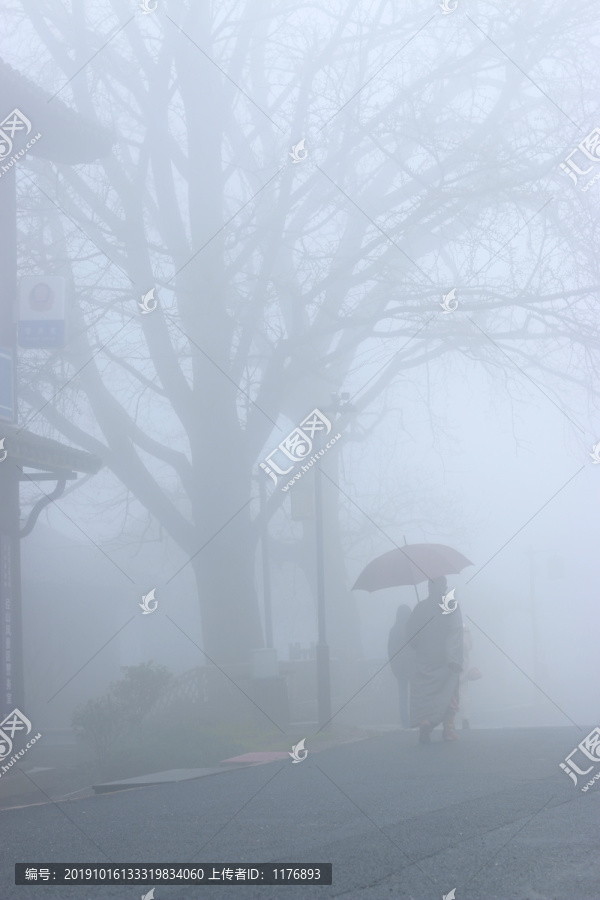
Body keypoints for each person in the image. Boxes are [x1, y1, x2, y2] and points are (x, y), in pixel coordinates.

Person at [406, 575, 464, 744]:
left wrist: (417, 643)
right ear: (444, 587)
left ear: (428, 588)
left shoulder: (420, 608)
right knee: (448, 692)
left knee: (424, 693)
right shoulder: (451, 605)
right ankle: (447, 730)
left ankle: (424, 721)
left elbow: (411, 635)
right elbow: (455, 630)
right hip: (445, 659)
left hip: (424, 658)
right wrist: (454, 657)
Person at [387, 604, 412, 727]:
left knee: (402, 695)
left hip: (399, 669)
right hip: (412, 667)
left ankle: (405, 721)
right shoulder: (412, 629)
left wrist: (394, 666)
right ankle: (415, 719)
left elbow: (391, 650)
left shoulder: (394, 630)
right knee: (414, 695)